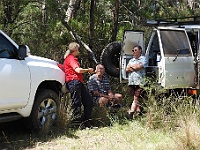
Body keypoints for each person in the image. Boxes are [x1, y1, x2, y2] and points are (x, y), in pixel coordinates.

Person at [63, 42, 94, 127]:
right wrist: (88, 70)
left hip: (78, 82)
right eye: (78, 50)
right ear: (75, 50)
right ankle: (76, 124)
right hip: (74, 82)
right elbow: (78, 70)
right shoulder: (71, 58)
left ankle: (86, 122)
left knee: (88, 102)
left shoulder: (70, 58)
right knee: (76, 103)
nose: (79, 51)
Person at [126, 45, 147, 118]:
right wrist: (134, 67)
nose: (133, 52)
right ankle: (139, 112)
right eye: (133, 50)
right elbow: (127, 69)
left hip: (140, 82)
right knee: (135, 98)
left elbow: (139, 67)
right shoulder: (131, 60)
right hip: (131, 82)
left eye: (135, 50)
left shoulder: (143, 59)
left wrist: (133, 67)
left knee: (136, 98)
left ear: (140, 51)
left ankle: (130, 114)